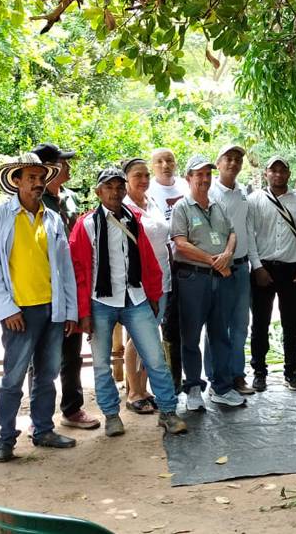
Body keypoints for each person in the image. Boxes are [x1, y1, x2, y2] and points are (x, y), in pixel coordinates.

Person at [69, 168, 188, 436]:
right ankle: (111, 415)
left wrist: (154, 294)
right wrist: (82, 311)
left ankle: (168, 412)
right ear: (99, 192)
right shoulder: (86, 224)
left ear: (125, 190)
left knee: (155, 357)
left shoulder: (133, 219)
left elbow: (148, 259)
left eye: (119, 187)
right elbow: (78, 270)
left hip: (135, 297)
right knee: (101, 363)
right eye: (108, 187)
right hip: (100, 301)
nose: (114, 192)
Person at [0, 153, 79, 462]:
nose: (37, 183)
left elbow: (64, 267)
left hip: (51, 309)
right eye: (31, 178)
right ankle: (6, 438)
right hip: (19, 312)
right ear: (17, 181)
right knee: (13, 376)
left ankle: (44, 430)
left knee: (47, 374)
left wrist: (71, 311)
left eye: (41, 178)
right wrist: (6, 309)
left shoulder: (51, 218)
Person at [33, 142, 99, 431]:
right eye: (63, 162)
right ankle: (39, 419)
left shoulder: (70, 198)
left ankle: (72, 409)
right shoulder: (32, 201)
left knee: (72, 352)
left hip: (73, 284)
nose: (69, 167)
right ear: (48, 168)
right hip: (42, 286)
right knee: (41, 356)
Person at [170, 155, 245, 409]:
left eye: (207, 174)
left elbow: (233, 233)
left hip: (221, 278)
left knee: (219, 335)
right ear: (188, 178)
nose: (204, 179)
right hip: (193, 278)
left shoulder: (218, 205)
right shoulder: (182, 207)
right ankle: (192, 388)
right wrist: (213, 260)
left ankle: (221, 387)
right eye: (198, 174)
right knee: (190, 335)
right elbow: (180, 243)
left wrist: (228, 254)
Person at [248, 156, 296, 391]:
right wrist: (257, 267)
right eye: (273, 170)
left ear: (289, 174)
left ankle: (292, 372)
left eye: (282, 170)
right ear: (266, 173)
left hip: (292, 269)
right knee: (260, 323)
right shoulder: (255, 199)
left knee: (291, 324)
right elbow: (249, 235)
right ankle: (259, 372)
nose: (277, 174)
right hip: (263, 268)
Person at [120, 157, 171, 413]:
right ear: (126, 179)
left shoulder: (151, 202)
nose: (143, 180)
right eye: (137, 175)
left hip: (162, 278)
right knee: (140, 334)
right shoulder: (124, 207)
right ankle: (133, 393)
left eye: (146, 175)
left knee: (151, 334)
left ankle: (144, 388)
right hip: (139, 282)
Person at [207, 145, 257, 395]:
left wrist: (254, 264)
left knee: (240, 325)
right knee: (217, 325)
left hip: (241, 267)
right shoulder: (208, 191)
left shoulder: (243, 193)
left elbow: (248, 230)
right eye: (228, 158)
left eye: (238, 159)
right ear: (218, 162)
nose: (234, 163)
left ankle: (237, 375)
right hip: (217, 268)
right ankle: (216, 377)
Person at [147, 147, 188, 392]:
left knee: (181, 323)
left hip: (187, 262)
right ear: (153, 166)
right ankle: (161, 383)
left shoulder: (184, 186)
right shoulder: (149, 190)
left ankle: (179, 377)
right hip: (161, 266)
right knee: (159, 323)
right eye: (159, 161)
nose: (165, 165)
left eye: (169, 160)